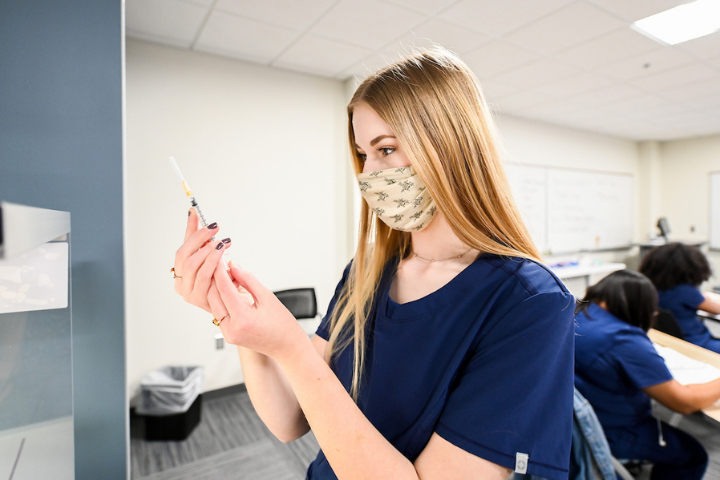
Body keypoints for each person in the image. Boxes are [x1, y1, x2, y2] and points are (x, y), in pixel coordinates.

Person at [173, 48, 575, 480]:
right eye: (364, 153)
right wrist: (237, 321)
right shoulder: (368, 271)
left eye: (386, 149)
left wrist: (292, 345)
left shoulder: (530, 304)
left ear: (451, 146)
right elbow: (289, 419)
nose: (370, 174)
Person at [574, 269, 720, 480]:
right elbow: (684, 402)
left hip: (576, 419)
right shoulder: (623, 338)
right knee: (692, 455)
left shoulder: (580, 316)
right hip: (611, 428)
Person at [639, 242, 720, 353]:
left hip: (672, 340)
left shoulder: (651, 288)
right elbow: (716, 309)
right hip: (697, 342)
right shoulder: (685, 291)